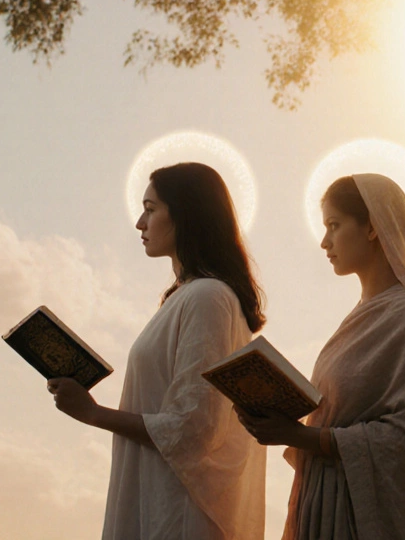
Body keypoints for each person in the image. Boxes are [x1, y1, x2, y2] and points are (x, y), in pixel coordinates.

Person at [238, 174, 405, 540]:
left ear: (372, 227)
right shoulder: (358, 318)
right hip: (325, 505)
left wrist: (302, 436)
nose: (325, 242)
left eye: (334, 226)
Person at [48, 162, 267, 540]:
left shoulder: (208, 297)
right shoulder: (185, 298)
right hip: (156, 503)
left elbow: (194, 428)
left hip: (179, 515)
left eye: (150, 209)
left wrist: (92, 413)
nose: (139, 222)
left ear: (186, 214)